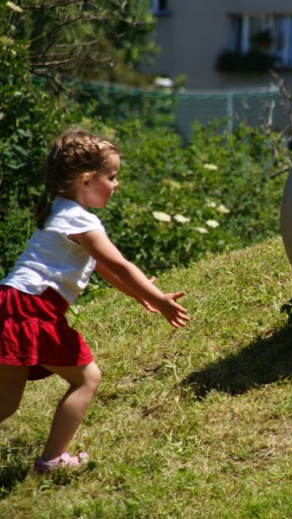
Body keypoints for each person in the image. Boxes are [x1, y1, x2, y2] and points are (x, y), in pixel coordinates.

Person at [0, 128, 190, 474]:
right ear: (86, 181)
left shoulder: (59, 210)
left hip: (12, 302)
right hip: (32, 308)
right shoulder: (78, 219)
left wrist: (139, 297)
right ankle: (52, 461)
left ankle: (50, 460)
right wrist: (160, 300)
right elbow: (118, 264)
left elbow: (102, 268)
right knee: (86, 378)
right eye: (111, 177)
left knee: (5, 403)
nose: (116, 185)